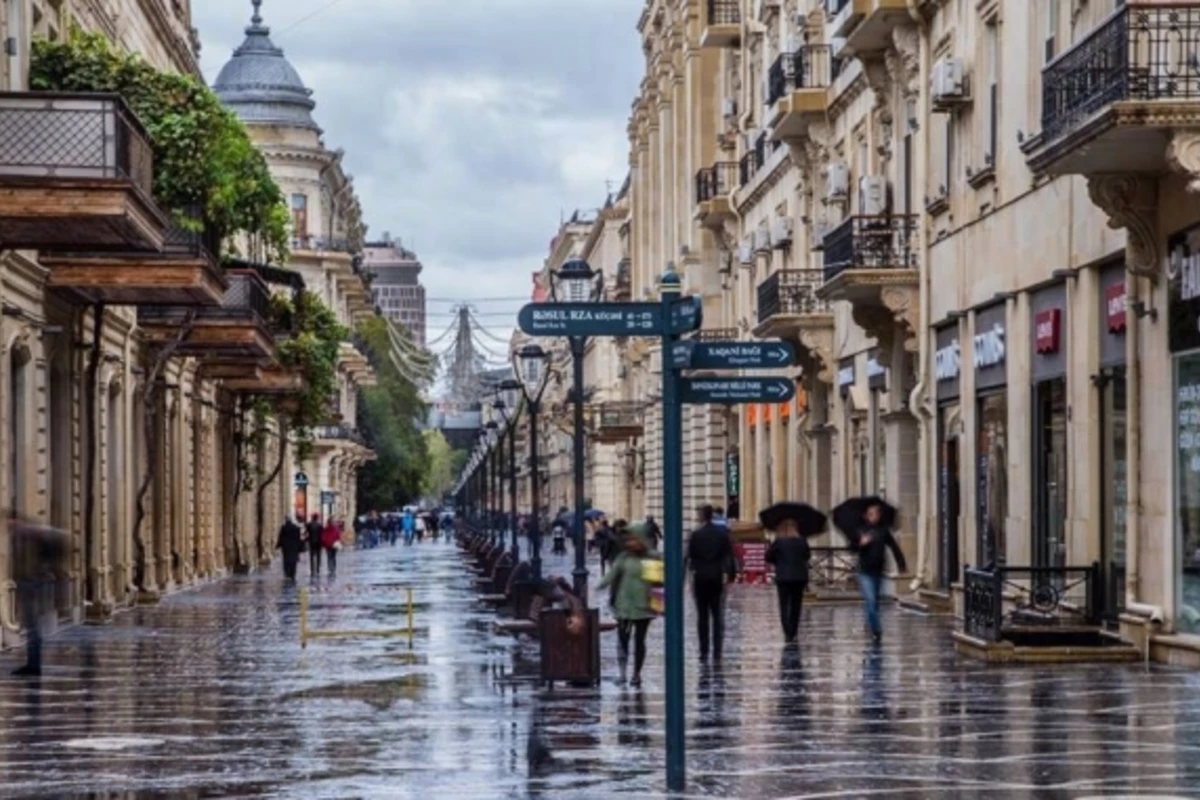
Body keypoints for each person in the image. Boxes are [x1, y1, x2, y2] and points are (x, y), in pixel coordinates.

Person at [597, 523, 659, 687]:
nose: (630, 543)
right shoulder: (623, 558)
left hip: (643, 606)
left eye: (634, 539)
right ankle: (622, 672)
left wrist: (658, 602)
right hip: (623, 605)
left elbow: (657, 583)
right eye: (628, 540)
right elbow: (611, 575)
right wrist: (599, 586)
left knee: (640, 641)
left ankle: (636, 673)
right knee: (622, 639)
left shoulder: (651, 557)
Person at [10, 515, 66, 677]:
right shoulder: (26, 535)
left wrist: (36, 576)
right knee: (33, 627)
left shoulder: (32, 535)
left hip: (33, 585)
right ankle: (32, 663)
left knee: (33, 627)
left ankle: (33, 665)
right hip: (31, 584)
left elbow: (44, 559)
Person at [686, 505, 737, 662]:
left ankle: (703, 650)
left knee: (702, 616)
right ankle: (717, 649)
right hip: (716, 576)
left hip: (700, 577)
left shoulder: (695, 534)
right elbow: (729, 555)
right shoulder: (721, 534)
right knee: (717, 614)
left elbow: (689, 556)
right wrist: (731, 575)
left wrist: (691, 573)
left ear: (702, 515)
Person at [853, 502, 906, 643]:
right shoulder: (861, 529)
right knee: (870, 600)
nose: (874, 516)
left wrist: (901, 564)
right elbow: (853, 547)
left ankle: (871, 623)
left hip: (878, 571)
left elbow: (894, 547)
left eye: (876, 513)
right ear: (866, 515)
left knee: (874, 603)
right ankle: (877, 631)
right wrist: (861, 544)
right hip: (865, 572)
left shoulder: (883, 530)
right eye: (871, 513)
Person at [765, 517, 812, 642]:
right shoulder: (802, 541)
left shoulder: (779, 542)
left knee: (784, 605)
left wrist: (778, 561)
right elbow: (807, 556)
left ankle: (787, 632)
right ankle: (794, 630)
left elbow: (768, 557)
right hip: (799, 577)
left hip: (783, 577)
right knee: (796, 605)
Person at [276, 516, 303, 582]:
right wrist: (300, 547)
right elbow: (298, 539)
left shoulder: (284, 528)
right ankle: (293, 574)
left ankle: (287, 573)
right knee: (293, 561)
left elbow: (281, 537)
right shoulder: (296, 528)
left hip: (286, 547)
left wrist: (278, 545)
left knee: (286, 560)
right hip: (294, 547)